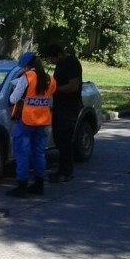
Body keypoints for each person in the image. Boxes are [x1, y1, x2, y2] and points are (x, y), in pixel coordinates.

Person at [7, 52, 57, 198]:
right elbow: (49, 99)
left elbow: (13, 98)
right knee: (39, 153)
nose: (23, 70)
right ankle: (39, 184)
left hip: (26, 121)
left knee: (22, 153)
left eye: (24, 67)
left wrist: (16, 92)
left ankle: (22, 186)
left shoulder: (26, 77)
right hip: (42, 121)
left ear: (27, 66)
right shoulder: (50, 79)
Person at [40, 44, 82, 183]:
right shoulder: (60, 64)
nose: (51, 62)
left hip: (70, 107)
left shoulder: (72, 63)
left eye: (52, 59)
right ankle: (61, 170)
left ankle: (66, 172)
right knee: (58, 138)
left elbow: (73, 86)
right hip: (59, 106)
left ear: (59, 54)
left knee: (64, 140)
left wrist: (55, 90)